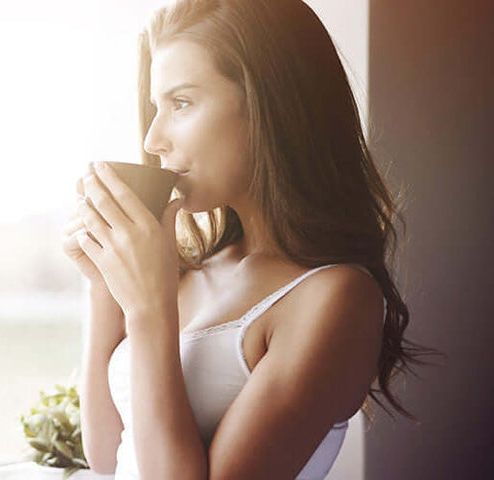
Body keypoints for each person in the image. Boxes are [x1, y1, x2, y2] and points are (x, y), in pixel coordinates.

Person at [60, 0, 442, 478]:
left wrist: (149, 310)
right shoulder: (183, 271)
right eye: (156, 108)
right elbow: (106, 456)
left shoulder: (336, 299)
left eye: (181, 103)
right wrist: (103, 286)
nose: (154, 138)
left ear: (269, 104)